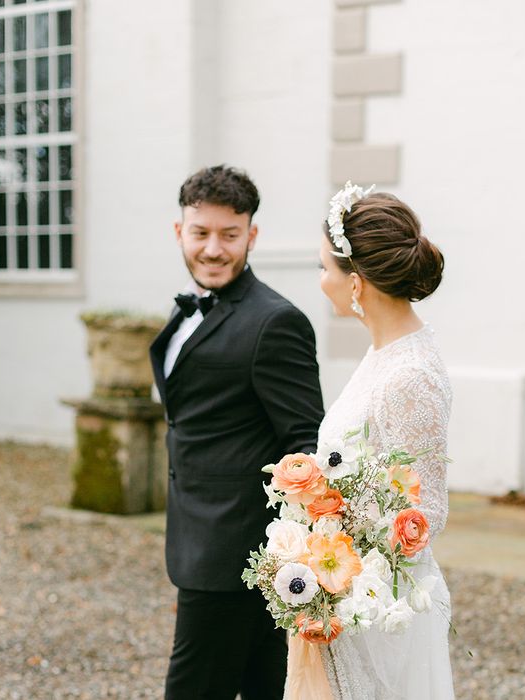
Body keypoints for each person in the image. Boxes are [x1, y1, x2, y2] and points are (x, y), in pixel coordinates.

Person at [150, 165, 325, 700]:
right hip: (199, 536)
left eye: (229, 235)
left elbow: (306, 442)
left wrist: (295, 552)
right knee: (264, 685)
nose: (213, 249)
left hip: (236, 551)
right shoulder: (189, 309)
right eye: (200, 233)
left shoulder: (275, 322)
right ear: (179, 231)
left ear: (252, 235)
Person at [289, 182, 455, 699]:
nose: (320, 281)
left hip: (377, 605)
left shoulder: (411, 376)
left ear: (356, 284)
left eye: (324, 268)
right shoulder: (384, 353)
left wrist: (329, 555)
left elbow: (424, 511)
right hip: (349, 588)